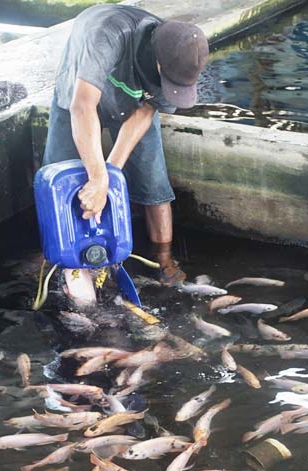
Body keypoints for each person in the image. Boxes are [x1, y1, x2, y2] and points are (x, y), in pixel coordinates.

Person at [42, 4, 208, 289]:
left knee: (154, 180)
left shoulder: (181, 59)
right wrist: (96, 177)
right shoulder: (108, 35)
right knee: (58, 177)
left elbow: (145, 112)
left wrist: (110, 174)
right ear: (159, 61)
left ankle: (164, 258)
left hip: (134, 101)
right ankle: (53, 257)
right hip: (80, 90)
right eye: (169, 81)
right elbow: (82, 106)